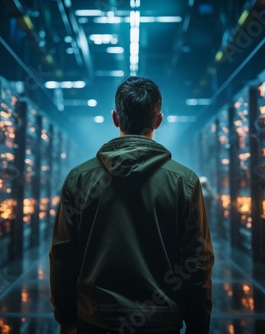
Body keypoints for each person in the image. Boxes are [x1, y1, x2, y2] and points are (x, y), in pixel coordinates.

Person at [49, 76, 214, 334]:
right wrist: (198, 326)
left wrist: (67, 319)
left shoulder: (79, 179)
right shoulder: (185, 182)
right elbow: (197, 262)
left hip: (95, 320)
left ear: (115, 118)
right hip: (160, 322)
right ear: (158, 121)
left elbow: (62, 256)